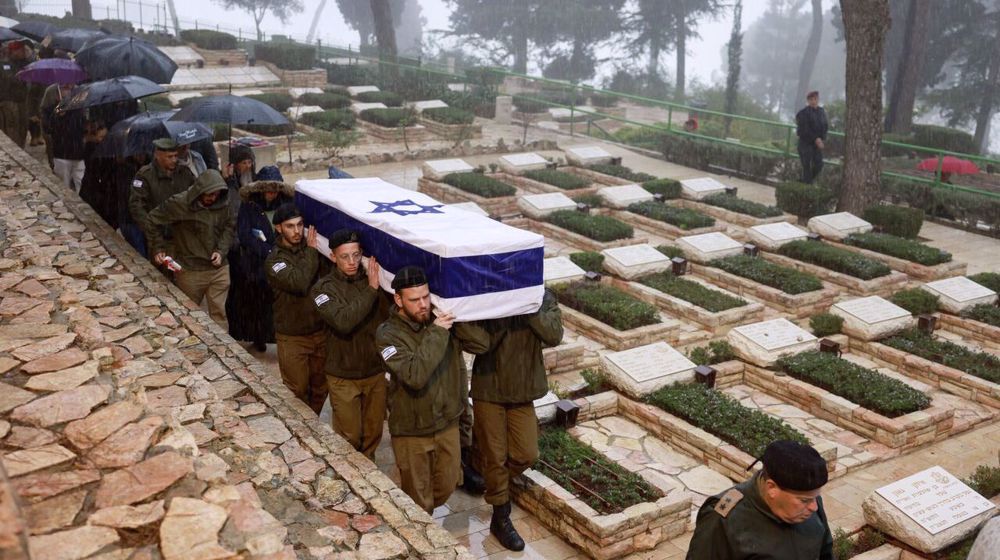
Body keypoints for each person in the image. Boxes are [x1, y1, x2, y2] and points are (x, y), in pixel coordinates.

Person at [375, 266, 490, 513]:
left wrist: (456, 316)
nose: (423, 305)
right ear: (398, 299)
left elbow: (481, 344)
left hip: (446, 425)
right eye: (414, 300)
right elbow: (414, 375)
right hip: (412, 431)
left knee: (447, 485)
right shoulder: (387, 335)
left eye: (426, 297)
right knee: (419, 500)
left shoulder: (441, 322)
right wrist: (438, 331)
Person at [471, 288, 563, 551]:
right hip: (489, 387)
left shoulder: (542, 297)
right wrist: (506, 305)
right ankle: (501, 517)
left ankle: (492, 479)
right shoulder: (488, 296)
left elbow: (554, 334)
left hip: (522, 391)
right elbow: (479, 342)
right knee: (496, 456)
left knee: (526, 454)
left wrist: (527, 305)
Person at [310, 230, 391, 460]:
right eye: (345, 256)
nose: (352, 262)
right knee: (349, 436)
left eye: (356, 255)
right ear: (333, 257)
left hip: (374, 372)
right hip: (342, 375)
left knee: (373, 434)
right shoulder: (322, 289)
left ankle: (367, 479)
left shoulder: (373, 281)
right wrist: (371, 290)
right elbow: (343, 321)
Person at [686, 440, 833, 560]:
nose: (814, 507)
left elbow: (825, 552)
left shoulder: (811, 502)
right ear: (772, 488)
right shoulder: (724, 519)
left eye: (815, 497)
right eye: (804, 500)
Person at [145, 170, 236, 326]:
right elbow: (152, 220)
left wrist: (221, 251)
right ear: (200, 190)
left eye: (216, 194)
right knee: (191, 316)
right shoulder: (179, 204)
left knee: (219, 314)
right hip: (190, 271)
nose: (213, 198)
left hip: (219, 269)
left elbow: (229, 227)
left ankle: (222, 350)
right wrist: (158, 247)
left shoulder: (224, 204)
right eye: (209, 194)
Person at [265, 204, 330, 415]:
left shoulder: (313, 249)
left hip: (319, 332)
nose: (296, 231)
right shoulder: (275, 261)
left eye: (300, 225)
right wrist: (312, 250)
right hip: (292, 337)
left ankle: (312, 428)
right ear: (278, 228)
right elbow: (299, 282)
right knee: (296, 392)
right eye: (290, 226)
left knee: (320, 388)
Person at [227, 166, 292, 352]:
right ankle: (258, 337)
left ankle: (281, 338)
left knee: (279, 304)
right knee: (256, 304)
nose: (271, 193)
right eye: (267, 189)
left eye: (274, 188)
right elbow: (245, 234)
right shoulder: (249, 207)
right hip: (256, 264)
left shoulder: (287, 205)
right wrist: (267, 251)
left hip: (282, 260)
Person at [128, 138, 197, 258]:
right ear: (157, 156)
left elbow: (196, 195)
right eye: (169, 157)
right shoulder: (145, 176)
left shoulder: (184, 173)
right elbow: (137, 208)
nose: (174, 160)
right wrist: (154, 235)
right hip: (160, 237)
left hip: (184, 236)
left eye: (175, 156)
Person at [0, 40, 34, 147]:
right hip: (8, 101)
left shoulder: (25, 63)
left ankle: (20, 148)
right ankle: (13, 150)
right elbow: (9, 80)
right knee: (11, 127)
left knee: (23, 126)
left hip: (22, 101)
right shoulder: (4, 64)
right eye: (21, 50)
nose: (24, 52)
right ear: (14, 51)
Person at [796, 91, 828, 184]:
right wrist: (815, 139)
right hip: (805, 144)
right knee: (807, 166)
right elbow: (804, 129)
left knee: (819, 165)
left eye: (815, 99)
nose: (813, 101)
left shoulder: (821, 112)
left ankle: (805, 182)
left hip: (816, 145)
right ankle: (807, 185)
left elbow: (825, 126)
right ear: (808, 101)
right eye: (811, 99)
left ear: (818, 99)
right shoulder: (803, 113)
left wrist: (822, 138)